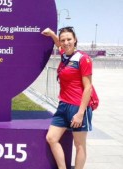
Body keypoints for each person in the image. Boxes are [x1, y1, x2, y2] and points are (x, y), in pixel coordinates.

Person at [41, 27, 93, 169]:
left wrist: (80, 113)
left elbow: (88, 87)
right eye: (63, 40)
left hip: (78, 107)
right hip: (63, 106)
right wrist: (52, 34)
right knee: (51, 138)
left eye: (69, 39)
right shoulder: (65, 55)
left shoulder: (83, 59)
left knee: (79, 145)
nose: (65, 42)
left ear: (75, 39)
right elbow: (59, 45)